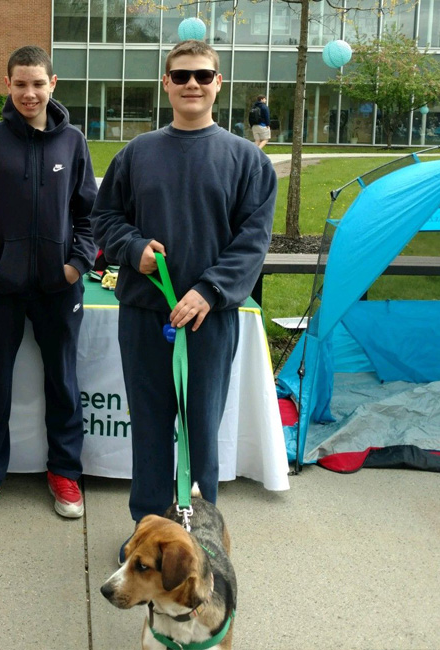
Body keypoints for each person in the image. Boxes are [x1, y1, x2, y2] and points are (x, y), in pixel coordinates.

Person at [91, 40, 276, 557]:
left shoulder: (247, 161)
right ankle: (148, 531)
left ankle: (196, 534)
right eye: (181, 75)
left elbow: (252, 241)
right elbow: (104, 220)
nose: (192, 84)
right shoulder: (135, 154)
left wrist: (208, 291)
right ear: (166, 83)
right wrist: (132, 249)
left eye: (203, 75)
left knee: (199, 430)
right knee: (149, 428)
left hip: (209, 321)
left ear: (218, 83)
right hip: (146, 316)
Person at [0, 45, 98, 521]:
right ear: (8, 84)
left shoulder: (73, 141)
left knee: (63, 380)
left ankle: (65, 473)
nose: (29, 93)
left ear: (52, 85)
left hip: (60, 287)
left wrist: (76, 265)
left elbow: (89, 216)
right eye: (20, 84)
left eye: (38, 84)